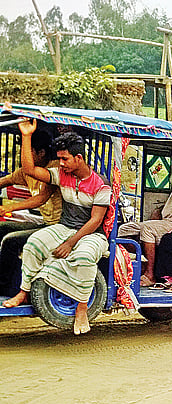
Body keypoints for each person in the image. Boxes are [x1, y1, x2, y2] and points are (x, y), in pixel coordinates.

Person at [2, 120, 111, 336]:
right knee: (33, 243)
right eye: (59, 158)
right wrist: (26, 136)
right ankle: (24, 292)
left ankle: (82, 307)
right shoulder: (62, 175)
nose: (60, 163)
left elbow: (95, 221)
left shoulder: (100, 184)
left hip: (92, 234)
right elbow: (29, 170)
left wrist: (70, 244)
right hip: (65, 228)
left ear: (78, 158)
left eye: (64, 159)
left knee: (84, 256)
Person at [118, 147, 172, 287]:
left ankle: (150, 274)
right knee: (124, 229)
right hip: (165, 221)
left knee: (147, 229)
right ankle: (144, 264)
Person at [0, 127, 62, 297]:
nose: (23, 157)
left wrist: (9, 207)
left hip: (58, 228)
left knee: (10, 241)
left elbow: (40, 198)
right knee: (2, 228)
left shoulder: (54, 170)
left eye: (28, 151)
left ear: (41, 153)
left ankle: (4, 288)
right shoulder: (27, 172)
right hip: (44, 224)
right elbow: (5, 181)